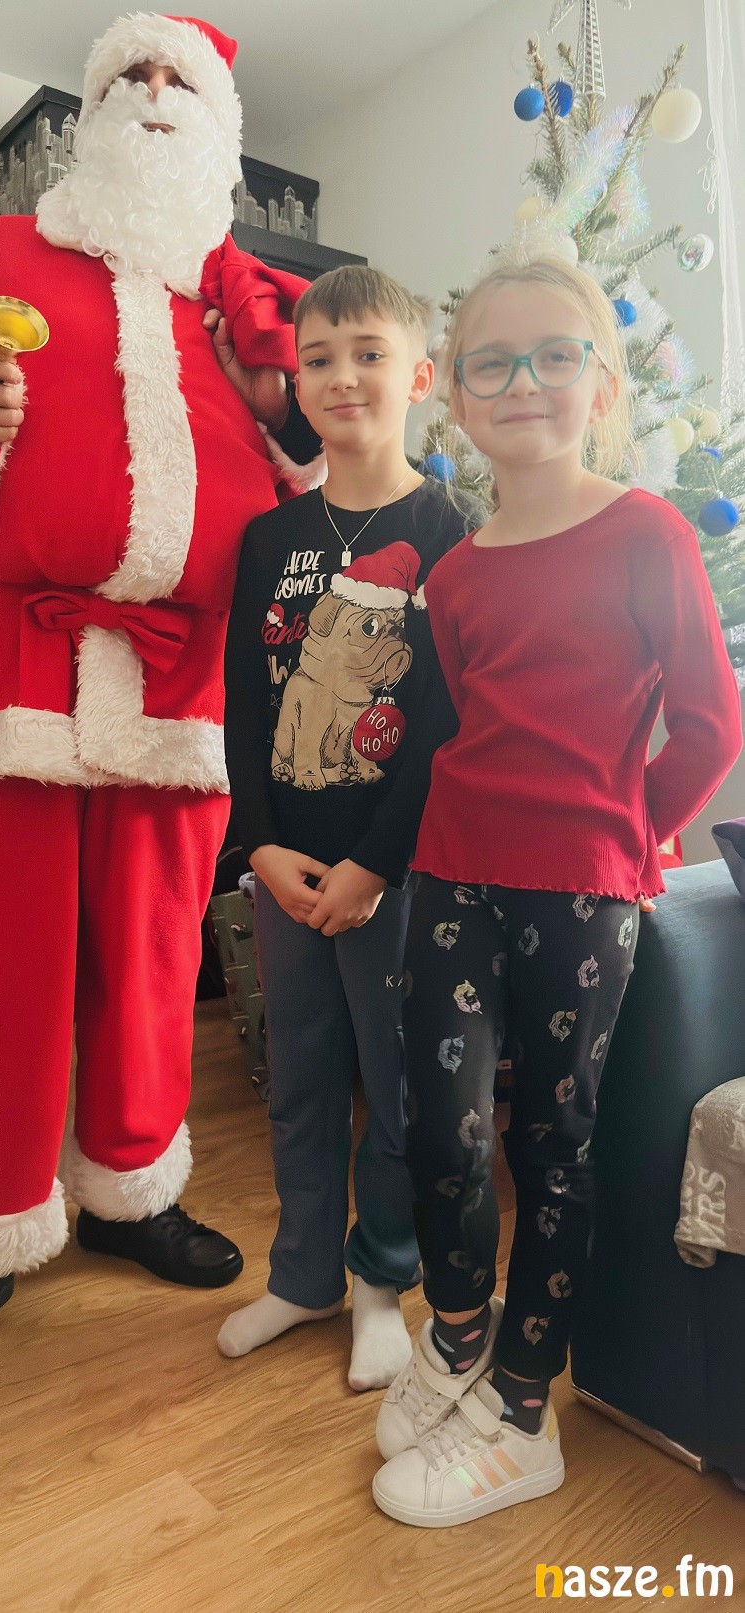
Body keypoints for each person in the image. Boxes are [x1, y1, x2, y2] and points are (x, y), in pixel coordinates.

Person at [0, 11, 321, 1402]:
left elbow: (325, 459)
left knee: (156, 958)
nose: (155, 95)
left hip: (182, 679)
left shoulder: (256, 305)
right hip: (9, 668)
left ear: (220, 129)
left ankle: (130, 1187)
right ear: (91, 114)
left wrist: (285, 409)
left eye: (183, 81)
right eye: (132, 75)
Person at [371, 252, 742, 1523]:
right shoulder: (457, 573)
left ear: (600, 381)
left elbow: (705, 722)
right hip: (452, 873)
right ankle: (458, 1333)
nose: (521, 380)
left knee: (552, 1140)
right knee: (440, 1127)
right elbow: (462, 724)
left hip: (580, 893)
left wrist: (624, 841)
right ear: (454, 394)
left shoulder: (645, 534)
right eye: (491, 361)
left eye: (552, 354)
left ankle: (523, 1410)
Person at [218, 265, 465, 1391]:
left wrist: (375, 863)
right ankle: (305, 1272)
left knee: (396, 1083)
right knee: (301, 1074)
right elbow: (241, 701)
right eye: (316, 358)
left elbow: (443, 722)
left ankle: (378, 1281)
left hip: (392, 871)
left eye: (368, 353)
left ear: (417, 376)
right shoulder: (270, 539)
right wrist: (260, 845)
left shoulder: (447, 531)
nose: (340, 376)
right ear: (295, 384)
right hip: (284, 865)